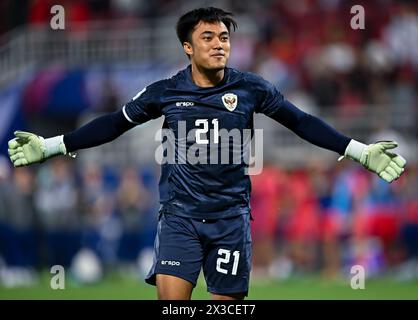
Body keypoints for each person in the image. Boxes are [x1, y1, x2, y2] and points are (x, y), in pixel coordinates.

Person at [7, 7, 406, 300]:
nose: (219, 45)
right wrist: (51, 145)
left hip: (230, 218)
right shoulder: (164, 91)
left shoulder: (252, 88)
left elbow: (302, 122)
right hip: (180, 216)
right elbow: (113, 124)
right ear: (187, 47)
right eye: (209, 38)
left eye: (224, 38)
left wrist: (359, 150)